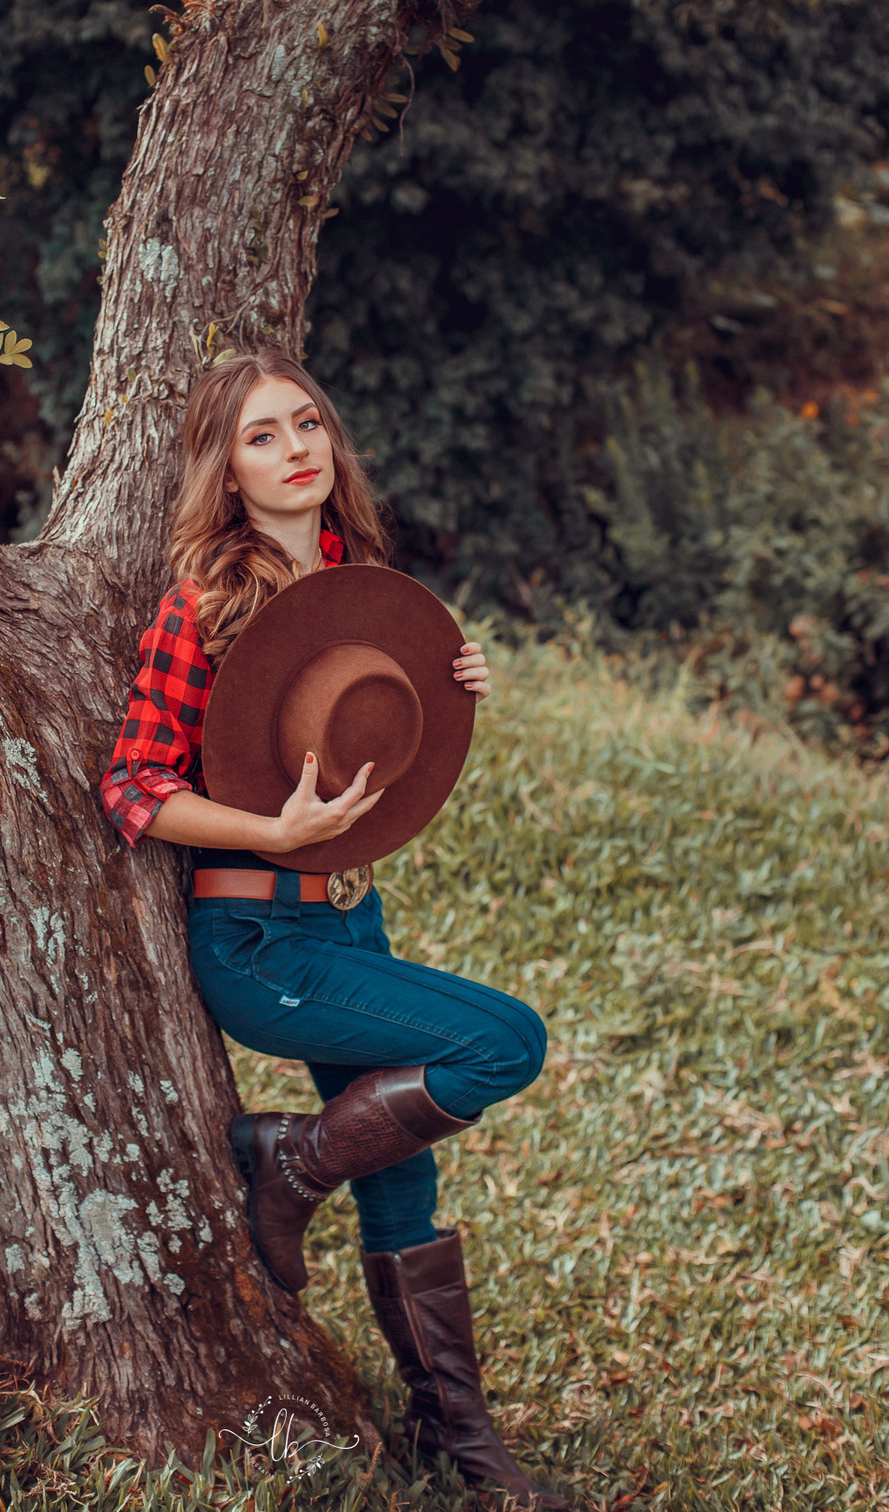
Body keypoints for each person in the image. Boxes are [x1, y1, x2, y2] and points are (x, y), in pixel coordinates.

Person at [101, 350, 566, 1511]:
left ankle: (458, 1439)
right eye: (262, 435)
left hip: (351, 926)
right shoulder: (201, 605)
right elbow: (133, 786)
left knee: (404, 1193)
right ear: (227, 470)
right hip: (259, 943)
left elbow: (383, 736)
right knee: (505, 1042)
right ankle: (290, 1165)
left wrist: (447, 677)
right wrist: (268, 823)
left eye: (308, 423)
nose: (296, 447)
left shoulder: (358, 579)